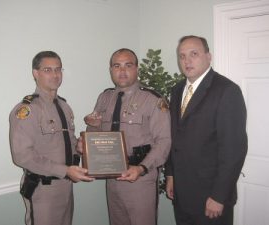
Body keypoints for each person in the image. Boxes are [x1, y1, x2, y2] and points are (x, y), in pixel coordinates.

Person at [165, 35, 248, 225]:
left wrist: (219, 196)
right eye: (182, 56)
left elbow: (234, 150)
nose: (187, 61)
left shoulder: (227, 90)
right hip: (182, 194)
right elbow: (174, 136)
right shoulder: (177, 90)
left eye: (194, 54)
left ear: (208, 56)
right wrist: (170, 174)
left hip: (210, 198)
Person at [83, 48, 172, 225]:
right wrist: (87, 138)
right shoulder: (104, 97)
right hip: (111, 176)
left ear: (136, 68)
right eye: (117, 66)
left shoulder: (153, 100)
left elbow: (164, 141)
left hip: (140, 178)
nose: (122, 71)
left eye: (128, 65)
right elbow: (96, 136)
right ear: (111, 70)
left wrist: (141, 168)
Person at [9, 51, 94, 225]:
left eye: (58, 69)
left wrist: (79, 147)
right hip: (43, 188)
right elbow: (22, 156)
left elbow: (66, 142)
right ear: (35, 73)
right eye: (47, 69)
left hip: (65, 185)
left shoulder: (64, 106)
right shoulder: (27, 110)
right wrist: (65, 171)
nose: (55, 75)